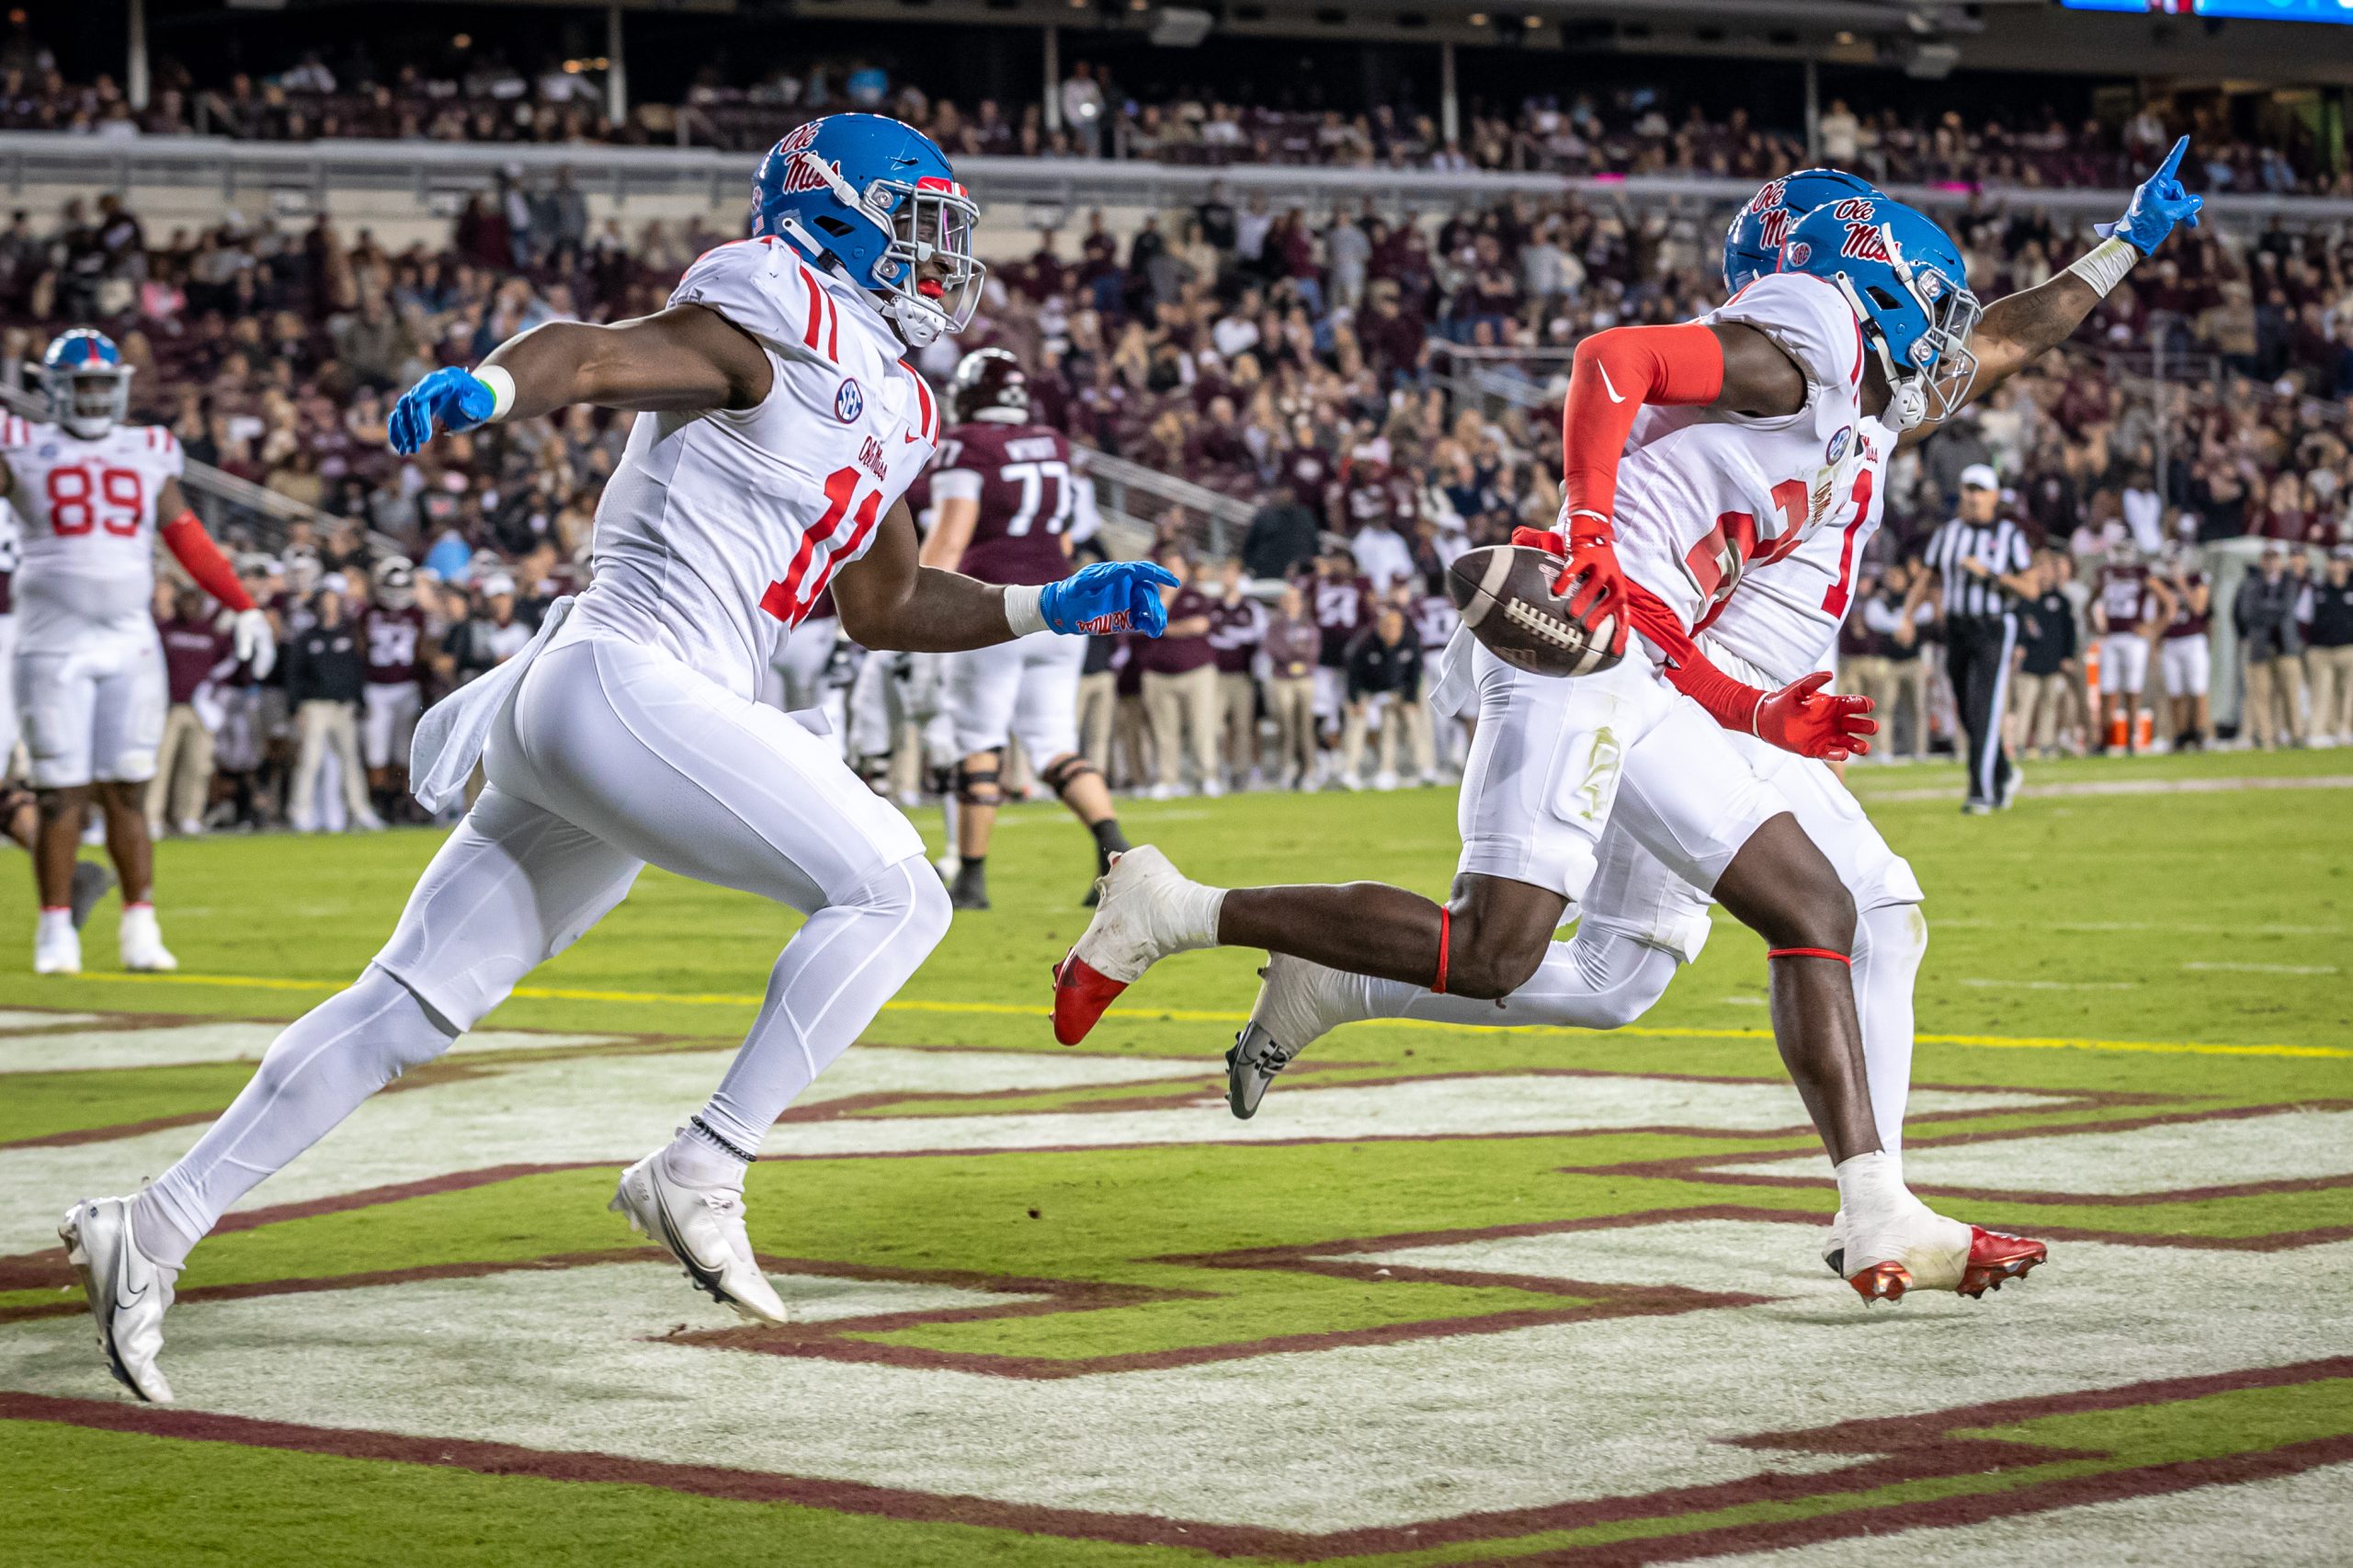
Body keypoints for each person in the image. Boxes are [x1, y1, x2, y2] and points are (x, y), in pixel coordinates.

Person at [60, 114, 1172, 1405]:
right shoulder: (776, 305)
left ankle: (149, 1223)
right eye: (919, 222)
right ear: (830, 215)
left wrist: (1055, 602)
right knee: (898, 890)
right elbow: (591, 357)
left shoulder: (900, 396)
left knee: (405, 1007)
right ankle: (702, 1165)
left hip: (606, 711)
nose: (941, 255)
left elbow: (885, 603)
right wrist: (488, 386)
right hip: (624, 679)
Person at [1068, 153, 2200, 1299]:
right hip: (1617, 655)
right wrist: (1603, 540)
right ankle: (1878, 1202)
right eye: (1929, 294)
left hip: (1676, 677)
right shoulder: (1804, 336)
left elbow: (2002, 338)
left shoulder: (1857, 399)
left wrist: (2123, 245)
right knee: (1819, 913)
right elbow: (1615, 362)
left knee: (1614, 971)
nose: (1946, 332)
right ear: (1864, 271)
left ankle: (1319, 974)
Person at [6, 328, 274, 974]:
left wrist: (242, 602)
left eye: (104, 383)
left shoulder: (149, 448)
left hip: (128, 639)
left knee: (130, 788)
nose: (95, 396)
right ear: (56, 390)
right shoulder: (20, 445)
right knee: (57, 792)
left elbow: (185, 536)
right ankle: (54, 931)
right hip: (50, 640)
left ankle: (139, 926)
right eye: (84, 384)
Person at [922, 347, 1131, 910]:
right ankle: (1115, 852)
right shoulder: (1053, 444)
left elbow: (950, 537)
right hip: (1060, 606)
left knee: (978, 742)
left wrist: (913, 599)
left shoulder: (968, 446)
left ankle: (970, 880)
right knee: (1053, 743)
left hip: (992, 606)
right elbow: (1061, 539)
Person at [1920, 465, 2039, 808]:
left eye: (1979, 490)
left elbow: (2030, 588)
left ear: (1994, 496)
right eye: (1967, 489)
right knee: (1968, 712)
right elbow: (1928, 577)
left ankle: (1981, 792)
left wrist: (1990, 574)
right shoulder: (1948, 533)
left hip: (1993, 627)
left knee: (1983, 708)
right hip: (1957, 628)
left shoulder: (2010, 536)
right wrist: (1909, 616)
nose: (1972, 497)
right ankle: (2003, 773)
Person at [283, 585, 381, 834]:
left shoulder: (348, 636)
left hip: (343, 706)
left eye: (333, 600)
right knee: (310, 760)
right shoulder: (306, 638)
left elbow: (356, 672)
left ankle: (359, 809)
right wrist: (296, 708)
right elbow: (293, 675)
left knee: (351, 760)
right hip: (315, 706)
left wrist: (360, 701)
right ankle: (300, 810)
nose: (329, 606)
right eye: (325, 601)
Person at [148, 585, 233, 836]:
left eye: (194, 602)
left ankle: (189, 815)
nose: (190, 607)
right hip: (170, 708)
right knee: (160, 765)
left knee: (198, 766)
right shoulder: (164, 631)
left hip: (200, 710)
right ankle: (153, 816)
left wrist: (212, 689)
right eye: (185, 601)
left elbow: (228, 662)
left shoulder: (210, 633)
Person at [1136, 545, 1220, 799]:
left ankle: (1207, 776)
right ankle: (1166, 778)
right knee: (1163, 732)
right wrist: (1168, 598)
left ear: (1186, 569)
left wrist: (1167, 629)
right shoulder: (1147, 596)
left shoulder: (1197, 596)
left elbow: (1201, 625)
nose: (1172, 572)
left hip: (1197, 672)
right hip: (1158, 673)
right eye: (1167, 568)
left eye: (1176, 567)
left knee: (1202, 728)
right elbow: (1148, 626)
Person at [358, 555, 432, 820]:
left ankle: (401, 802)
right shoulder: (368, 613)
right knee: (375, 748)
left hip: (407, 686)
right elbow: (361, 649)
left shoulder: (417, 615)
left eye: (402, 588)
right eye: (392, 587)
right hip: (376, 687)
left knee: (404, 749)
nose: (397, 594)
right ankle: (380, 801)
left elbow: (423, 652)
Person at [2087, 532, 2175, 756]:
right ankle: (2105, 740)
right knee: (2107, 689)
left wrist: (2153, 628)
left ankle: (2130, 739)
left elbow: (2169, 602)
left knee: (2132, 690)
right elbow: (2090, 602)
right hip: (2111, 637)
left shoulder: (2142, 573)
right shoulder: (2106, 572)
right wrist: (2094, 624)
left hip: (2134, 638)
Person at [1337, 603, 1423, 791]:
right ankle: (1349, 771)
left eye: (1395, 626)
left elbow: (1415, 674)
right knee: (1356, 720)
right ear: (1379, 626)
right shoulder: (1365, 642)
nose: (1392, 630)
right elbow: (1353, 675)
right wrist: (1354, 701)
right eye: (1388, 625)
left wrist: (1411, 700)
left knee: (1399, 719)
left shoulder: (1410, 642)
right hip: (1368, 692)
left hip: (1395, 693)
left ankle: (1407, 769)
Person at [2234, 543, 2306, 749]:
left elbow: (2286, 609)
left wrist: (2264, 611)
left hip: (2286, 644)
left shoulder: (2289, 581)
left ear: (2281, 561)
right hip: (2259, 645)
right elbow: (2246, 613)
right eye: (2268, 558)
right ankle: (2266, 737)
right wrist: (2269, 613)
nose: (2272, 562)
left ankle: (2296, 734)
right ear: (2261, 561)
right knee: (2261, 694)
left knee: (2291, 692)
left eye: (2275, 558)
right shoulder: (2251, 583)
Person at [2011, 552, 2080, 760]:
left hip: (2052, 661)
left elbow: (2069, 631)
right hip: (2029, 662)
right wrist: (2018, 649)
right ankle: (2019, 745)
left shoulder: (2061, 601)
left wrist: (2067, 656)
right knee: (2025, 704)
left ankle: (2046, 744)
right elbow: (2018, 628)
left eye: (2048, 568)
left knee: (2049, 704)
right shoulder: (2025, 601)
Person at [1205, 558, 1266, 789]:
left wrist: (1230, 635)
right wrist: (1233, 636)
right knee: (1212, 726)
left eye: (1231, 573)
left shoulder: (1251, 607)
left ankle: (1240, 772)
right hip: (1216, 675)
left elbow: (1258, 637)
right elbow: (1207, 635)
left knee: (1243, 726)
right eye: (1224, 573)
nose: (1227, 578)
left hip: (1243, 675)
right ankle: (1214, 771)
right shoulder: (1212, 606)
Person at [1261, 583, 1320, 789]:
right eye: (1288, 600)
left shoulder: (1309, 625)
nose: (1291, 604)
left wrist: (1297, 659)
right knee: (1286, 726)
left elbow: (1313, 650)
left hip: (1305, 678)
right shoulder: (1275, 626)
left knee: (1305, 726)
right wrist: (1293, 658)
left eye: (1295, 599)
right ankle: (1288, 767)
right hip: (1282, 678)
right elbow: (1272, 648)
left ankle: (1309, 770)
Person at [2155, 542, 2213, 751]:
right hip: (2171, 640)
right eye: (2170, 562)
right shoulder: (2162, 582)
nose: (2173, 565)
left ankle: (2201, 733)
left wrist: (2181, 584)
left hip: (2193, 638)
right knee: (2175, 691)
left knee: (2198, 689)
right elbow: (2158, 613)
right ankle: (2180, 734)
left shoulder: (2196, 578)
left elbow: (2199, 608)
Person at [2306, 547, 2353, 747]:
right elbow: (2302, 619)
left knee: (2348, 694)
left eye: (2341, 561)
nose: (2336, 566)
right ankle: (2318, 732)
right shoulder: (2316, 589)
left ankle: (2345, 731)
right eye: (2333, 561)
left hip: (2348, 648)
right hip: (2321, 649)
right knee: (2321, 693)